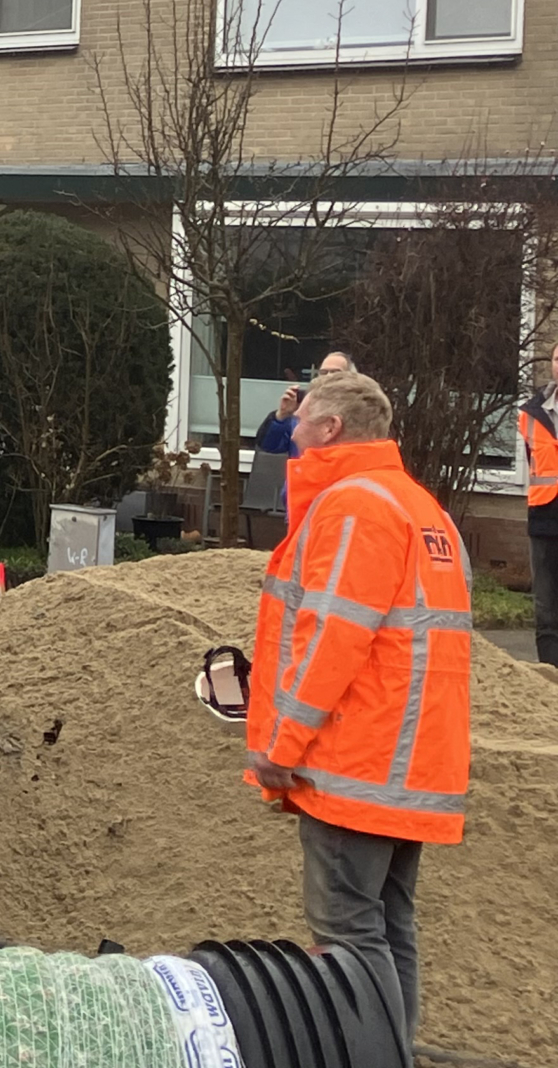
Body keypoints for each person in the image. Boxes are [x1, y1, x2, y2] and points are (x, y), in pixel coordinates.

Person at [247, 371, 471, 1046]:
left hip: (355, 764)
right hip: (411, 767)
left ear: (331, 428)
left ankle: (371, 1054)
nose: (293, 432)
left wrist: (282, 744)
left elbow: (332, 640)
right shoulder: (422, 508)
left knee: (347, 934)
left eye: (302, 421)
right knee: (389, 927)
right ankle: (394, 1049)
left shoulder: (353, 506)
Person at [256, 351, 356, 513]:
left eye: (335, 373)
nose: (328, 377)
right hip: (300, 503)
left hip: (340, 501)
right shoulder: (302, 413)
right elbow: (269, 445)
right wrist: (281, 415)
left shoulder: (358, 414)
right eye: (323, 372)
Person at [516, 341, 558, 666]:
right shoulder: (531, 413)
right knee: (546, 610)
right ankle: (550, 678)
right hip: (544, 519)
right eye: (557, 358)